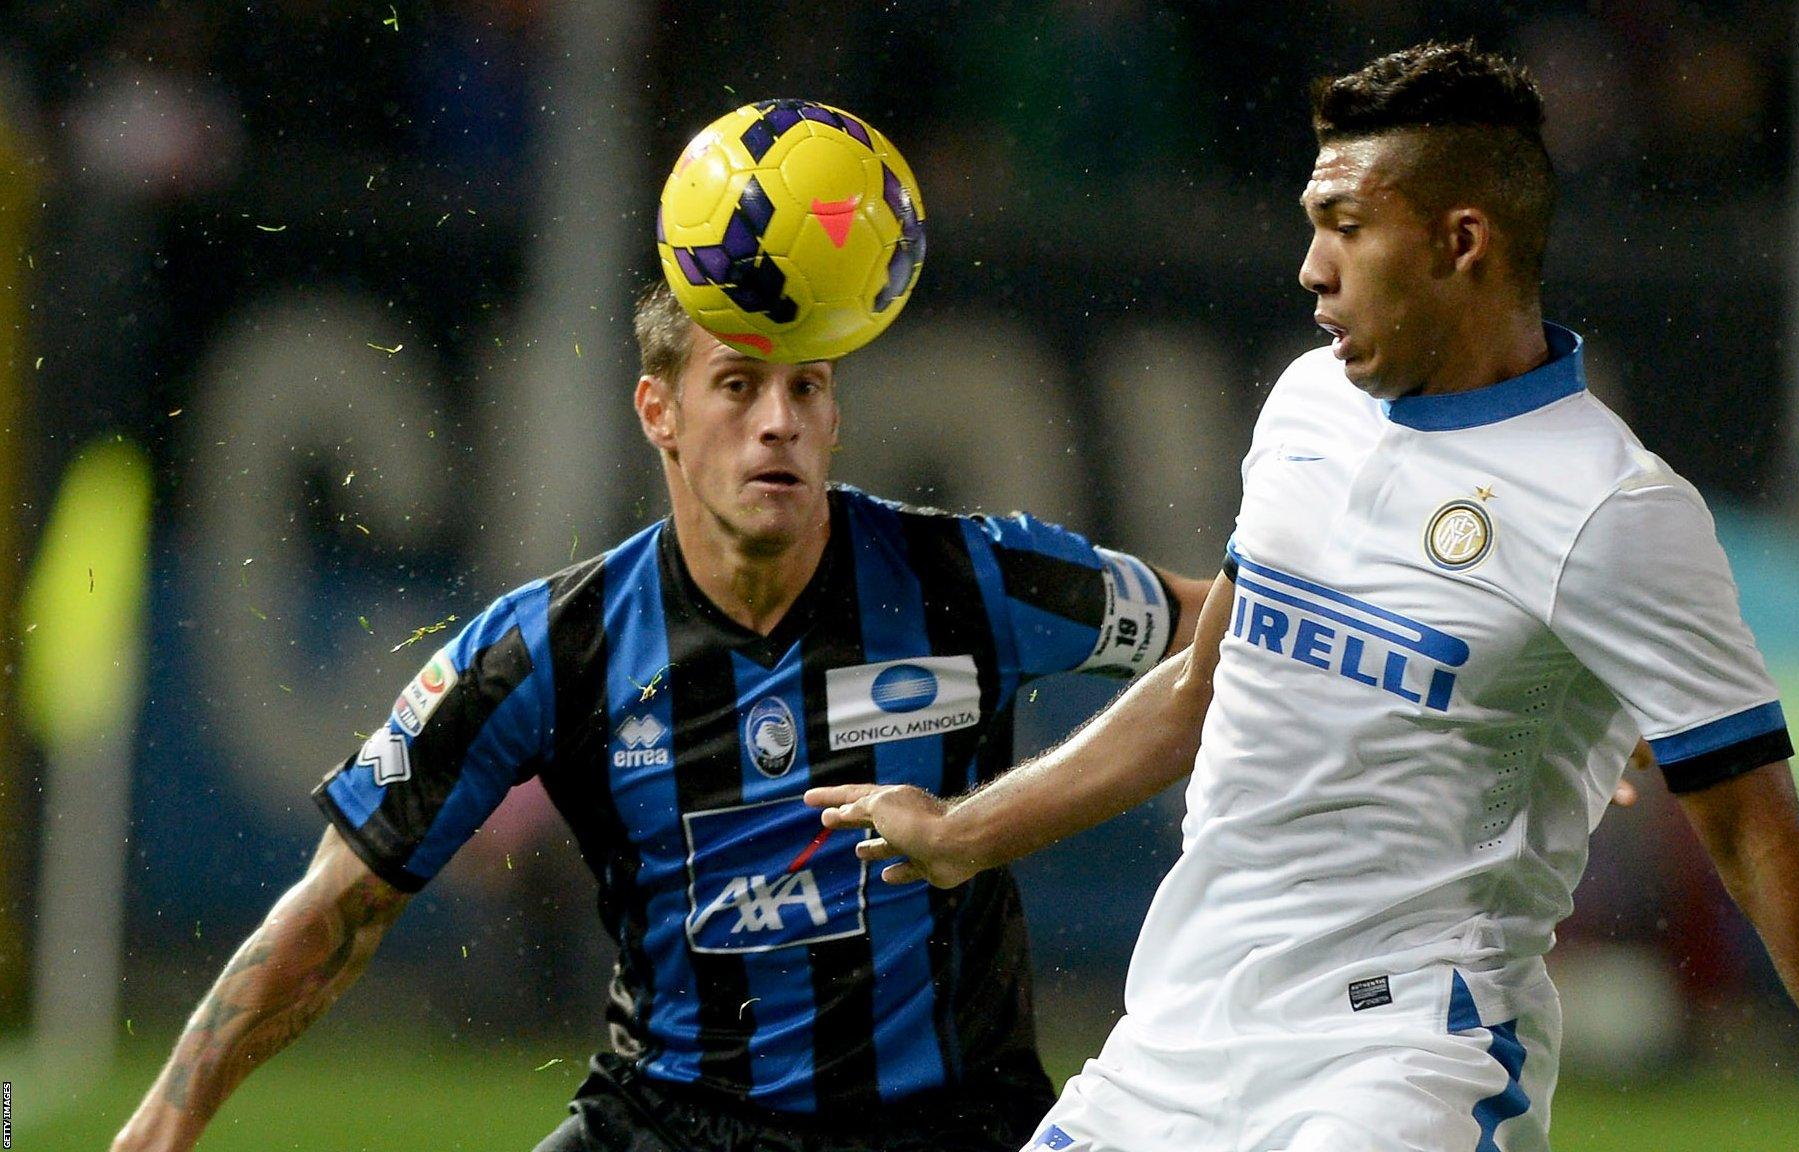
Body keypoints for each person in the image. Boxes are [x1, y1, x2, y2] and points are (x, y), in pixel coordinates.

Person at [809, 42, 1799, 1152]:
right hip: (1177, 1035)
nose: (1310, 267)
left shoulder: (1611, 510)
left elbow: (1761, 847)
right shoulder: (1307, 403)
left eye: (1345, 228)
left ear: (1461, 242)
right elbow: (1211, 681)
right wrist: (965, 834)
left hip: (1405, 1055)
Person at [109, 283, 1210, 1152]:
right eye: (737, 387)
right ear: (659, 412)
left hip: (950, 1124)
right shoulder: (549, 648)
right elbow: (340, 909)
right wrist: (169, 1116)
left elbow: (1228, 639)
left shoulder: (968, 576)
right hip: (673, 1123)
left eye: (806, 389)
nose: (775, 424)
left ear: (834, 415)